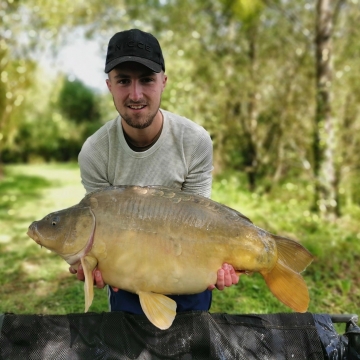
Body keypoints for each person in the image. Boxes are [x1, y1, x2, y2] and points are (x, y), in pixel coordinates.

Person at [70, 29, 239, 315]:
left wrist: (221, 264)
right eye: (124, 81)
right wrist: (90, 262)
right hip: (128, 281)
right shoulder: (95, 152)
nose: (135, 95)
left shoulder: (195, 140)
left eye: (146, 80)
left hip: (187, 272)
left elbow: (199, 219)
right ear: (110, 85)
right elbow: (99, 230)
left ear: (163, 82)